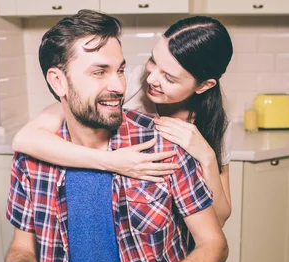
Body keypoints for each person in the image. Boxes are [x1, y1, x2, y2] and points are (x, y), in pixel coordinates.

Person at [4, 10, 228, 262]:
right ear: (58, 82)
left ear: (202, 86)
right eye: (99, 72)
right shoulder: (33, 158)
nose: (120, 86)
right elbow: (21, 246)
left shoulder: (166, 143)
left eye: (120, 70)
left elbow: (215, 243)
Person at [12, 15, 234, 227]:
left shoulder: (216, 120)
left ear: (204, 86)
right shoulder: (125, 83)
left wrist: (207, 157)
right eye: (153, 61)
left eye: (169, 77)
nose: (152, 78)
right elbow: (26, 139)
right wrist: (112, 161)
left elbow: (221, 217)